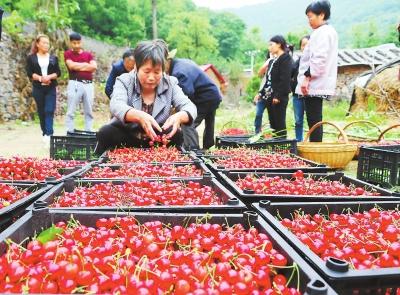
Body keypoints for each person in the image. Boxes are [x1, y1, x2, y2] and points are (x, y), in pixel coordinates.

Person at [94, 39, 197, 155]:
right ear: (136, 68)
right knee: (105, 132)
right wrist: (139, 116)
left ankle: (164, 162)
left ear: (163, 70)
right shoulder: (124, 81)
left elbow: (189, 106)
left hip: (155, 139)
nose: (151, 77)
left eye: (157, 72)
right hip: (126, 137)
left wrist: (180, 116)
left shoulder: (170, 84)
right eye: (146, 71)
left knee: (176, 134)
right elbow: (116, 104)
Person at [295, 0, 338, 142]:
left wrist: (307, 78)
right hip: (317, 82)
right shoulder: (326, 31)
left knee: (313, 119)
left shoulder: (323, 32)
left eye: (310, 17)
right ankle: (316, 147)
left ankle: (316, 149)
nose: (309, 21)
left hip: (315, 82)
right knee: (314, 119)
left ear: (321, 15)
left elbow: (319, 59)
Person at [165, 53, 221, 150]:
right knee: (209, 121)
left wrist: (176, 112)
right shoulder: (181, 62)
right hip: (212, 94)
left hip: (204, 98)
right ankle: (207, 147)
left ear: (168, 61)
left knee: (188, 122)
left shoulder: (179, 72)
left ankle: (193, 151)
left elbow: (187, 94)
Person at [254, 35, 292, 138]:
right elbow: (269, 80)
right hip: (269, 96)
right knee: (273, 124)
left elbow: (284, 78)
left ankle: (282, 145)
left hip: (278, 97)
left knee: (279, 123)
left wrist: (278, 95)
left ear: (279, 44)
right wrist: (260, 93)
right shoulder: (273, 61)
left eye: (271, 45)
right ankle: (276, 146)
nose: (269, 48)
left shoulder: (286, 58)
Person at [26, 34, 61, 145]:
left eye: (47, 43)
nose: (46, 45)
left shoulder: (53, 58)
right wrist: (41, 78)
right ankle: (45, 133)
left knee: (49, 110)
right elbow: (30, 73)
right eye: (44, 43)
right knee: (41, 111)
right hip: (38, 88)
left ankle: (50, 134)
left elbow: (58, 72)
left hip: (51, 87)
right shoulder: (31, 58)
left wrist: (49, 77)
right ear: (37, 44)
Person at [64, 32, 97, 133]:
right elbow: (71, 66)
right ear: (70, 43)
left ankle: (89, 132)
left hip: (88, 84)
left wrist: (78, 66)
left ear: (81, 42)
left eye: (79, 43)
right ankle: (70, 132)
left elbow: (94, 67)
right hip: (75, 83)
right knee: (71, 110)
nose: (77, 45)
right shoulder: (68, 54)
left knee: (89, 111)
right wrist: (86, 65)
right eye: (74, 43)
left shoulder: (88, 54)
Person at [291, 35, 310, 142]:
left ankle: (313, 143)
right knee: (298, 120)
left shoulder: (314, 61)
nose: (305, 47)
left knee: (311, 120)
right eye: (303, 45)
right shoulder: (298, 62)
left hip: (309, 95)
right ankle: (299, 142)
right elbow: (290, 75)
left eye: (307, 44)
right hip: (297, 96)